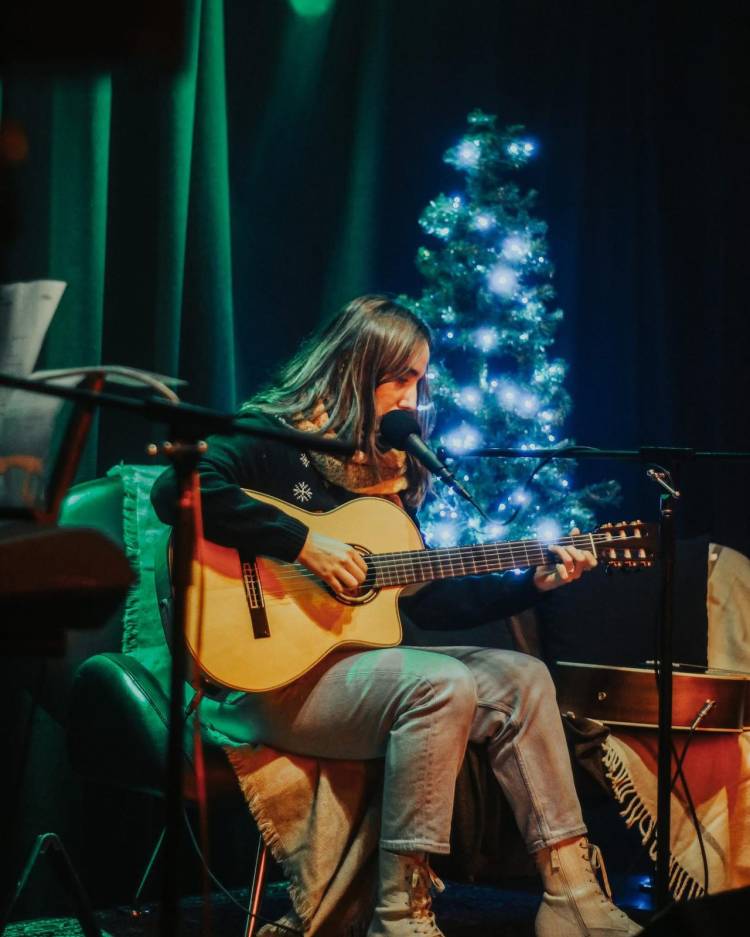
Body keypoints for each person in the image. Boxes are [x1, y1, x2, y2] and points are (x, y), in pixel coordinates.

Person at [151, 295, 641, 937]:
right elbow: (176, 492)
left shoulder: (391, 469)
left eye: (420, 379)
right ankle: (400, 914)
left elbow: (426, 599)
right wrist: (304, 544)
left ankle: (571, 892)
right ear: (355, 370)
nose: (414, 396)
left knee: (522, 677)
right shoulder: (271, 434)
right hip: (263, 681)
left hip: (356, 675)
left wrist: (533, 583)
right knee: (440, 683)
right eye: (400, 378)